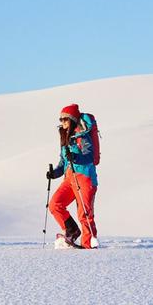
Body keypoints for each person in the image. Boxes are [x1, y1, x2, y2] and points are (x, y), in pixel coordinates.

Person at [46, 104, 99, 249]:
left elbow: (89, 156)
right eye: (61, 119)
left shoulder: (82, 136)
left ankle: (89, 245)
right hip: (70, 178)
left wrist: (75, 157)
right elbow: (63, 162)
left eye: (65, 119)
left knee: (85, 214)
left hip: (85, 176)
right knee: (55, 204)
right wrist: (54, 173)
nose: (62, 122)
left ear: (73, 120)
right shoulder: (65, 137)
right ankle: (72, 231)